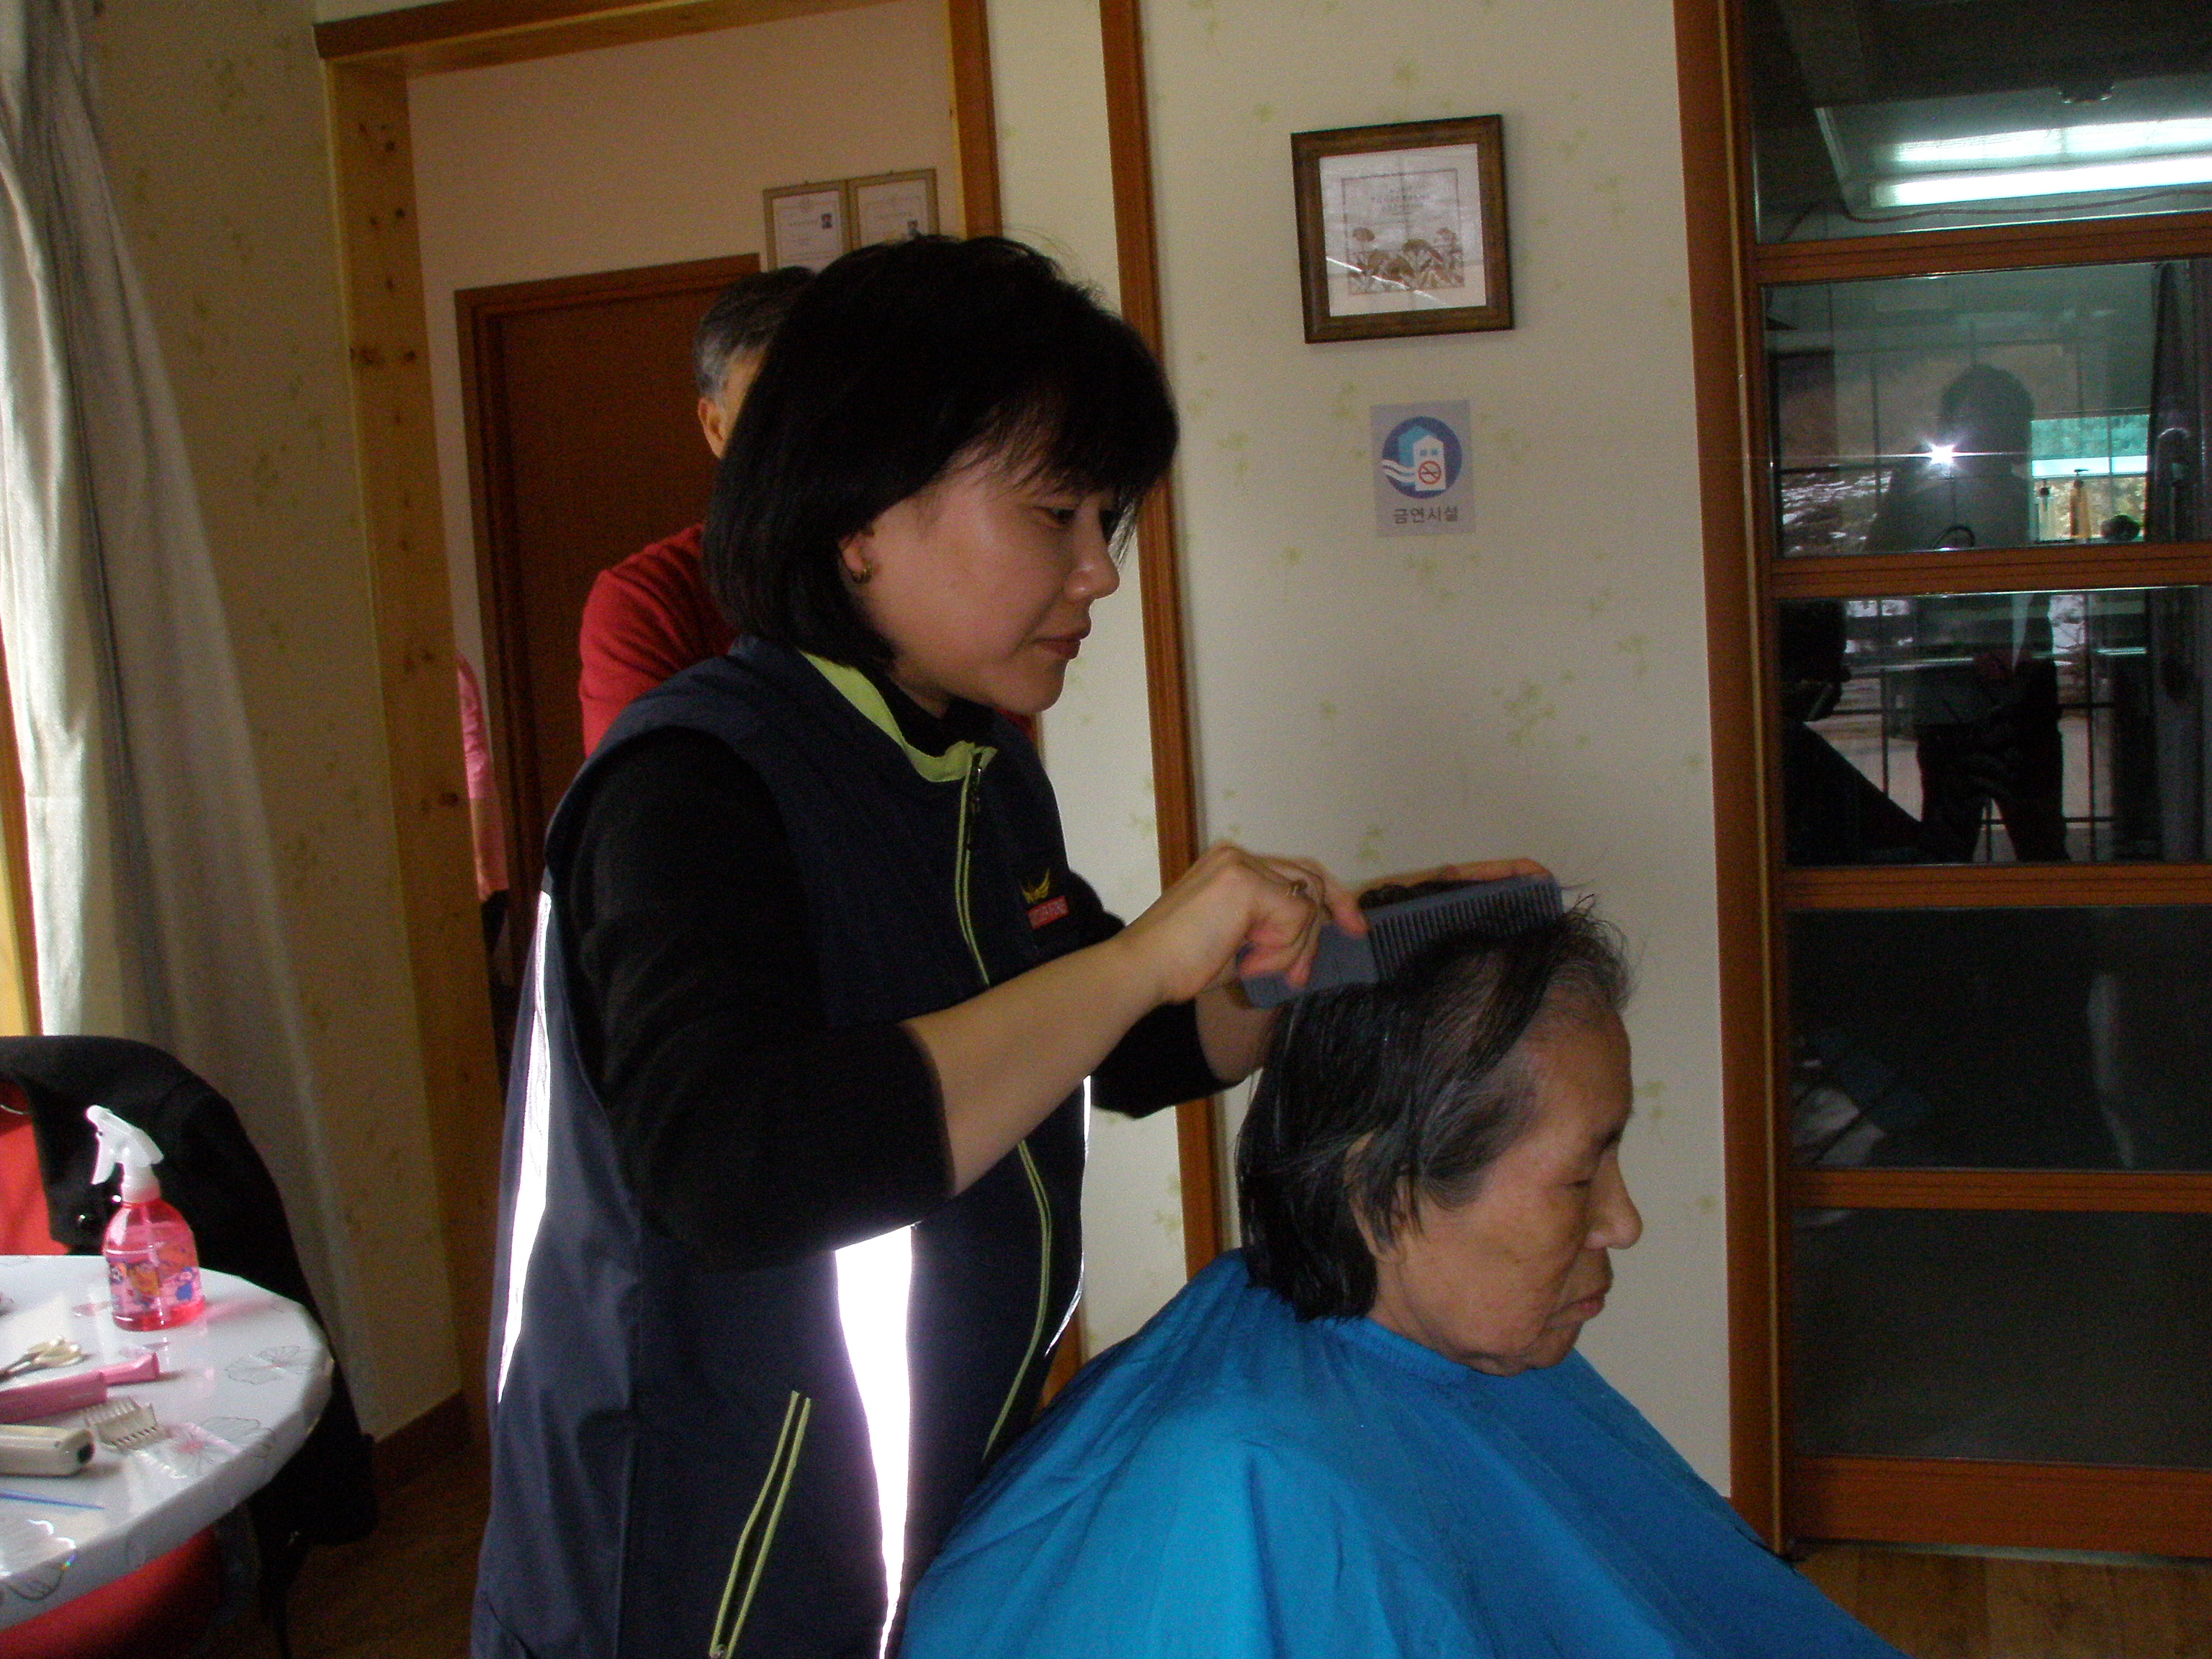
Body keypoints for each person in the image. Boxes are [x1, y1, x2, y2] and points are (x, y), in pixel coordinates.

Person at [473, 235, 1521, 1659]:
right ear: (859, 517)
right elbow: (735, 1169)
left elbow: (1131, 1046)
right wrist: (1136, 961)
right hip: (695, 1561)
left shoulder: (973, 767)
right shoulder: (692, 784)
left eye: (1109, 518)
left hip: (911, 1499)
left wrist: (1363, 944)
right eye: (1054, 514)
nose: (1098, 572)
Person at [902, 904, 1907, 1658]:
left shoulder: (1459, 1351)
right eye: (1579, 1177)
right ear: (1382, 1196)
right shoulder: (1244, 1486)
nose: (1624, 1221)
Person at [576, 266, 811, 752]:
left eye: (826, 403)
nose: (799, 434)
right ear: (716, 426)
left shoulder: (914, 569)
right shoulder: (650, 600)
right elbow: (644, 787)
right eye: (766, 409)